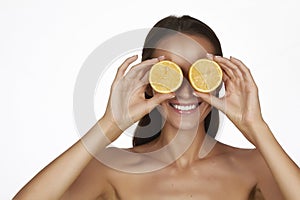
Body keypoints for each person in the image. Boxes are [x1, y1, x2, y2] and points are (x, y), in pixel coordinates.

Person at [14, 15, 300, 200]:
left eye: (200, 73)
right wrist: (109, 126)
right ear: (149, 83)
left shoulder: (256, 166)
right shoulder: (112, 169)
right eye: (169, 73)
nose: (185, 90)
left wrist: (257, 129)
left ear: (219, 80)